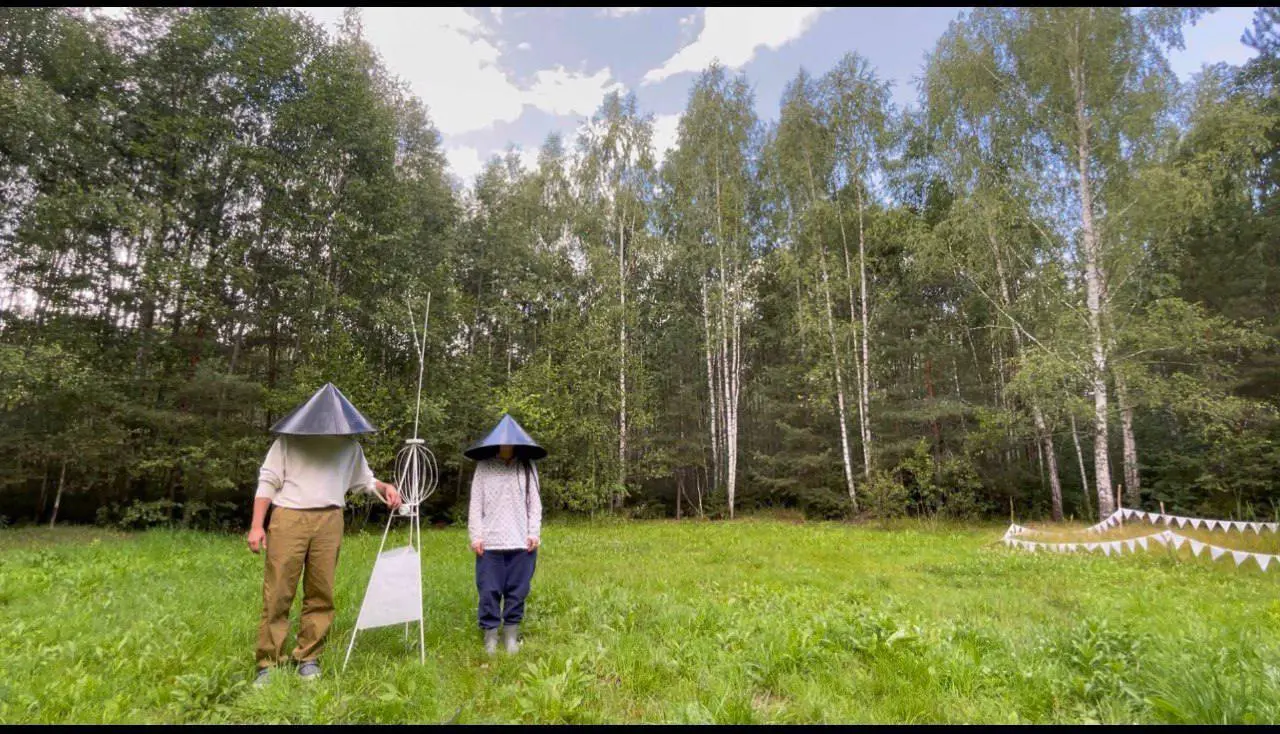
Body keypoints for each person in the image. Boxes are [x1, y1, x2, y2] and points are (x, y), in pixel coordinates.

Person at [247, 383, 401, 685]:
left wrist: (386, 488)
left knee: (321, 591)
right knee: (278, 591)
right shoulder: (288, 441)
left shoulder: (349, 446)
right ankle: (268, 663)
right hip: (289, 517)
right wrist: (256, 525)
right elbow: (267, 482)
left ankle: (308, 657)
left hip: (330, 519)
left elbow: (365, 481)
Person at [465, 414, 545, 656]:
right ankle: (490, 635)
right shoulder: (484, 466)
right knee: (488, 590)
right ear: (496, 442)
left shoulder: (527, 466)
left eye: (511, 441)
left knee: (517, 591)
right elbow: (475, 504)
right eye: (503, 441)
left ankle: (511, 635)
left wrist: (533, 532)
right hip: (490, 542)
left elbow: (535, 503)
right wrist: (476, 536)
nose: (507, 445)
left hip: (521, 541)